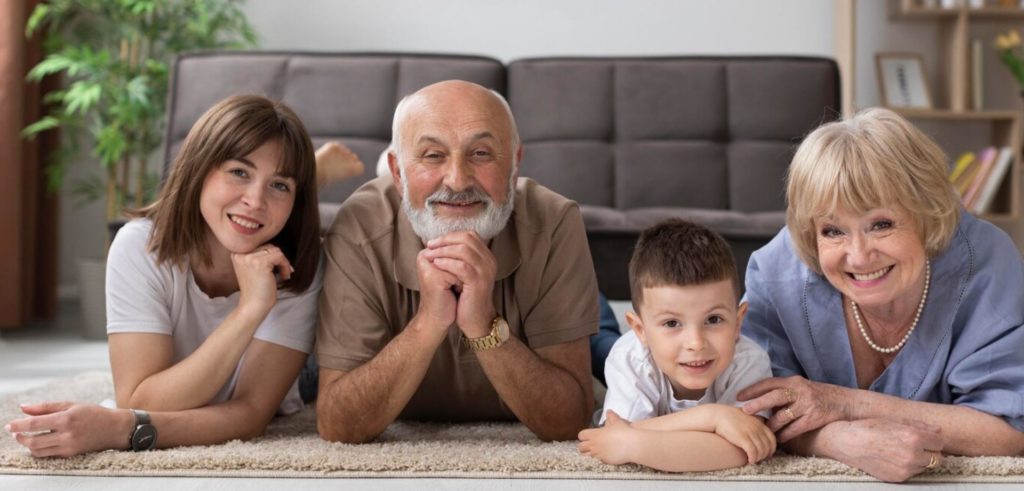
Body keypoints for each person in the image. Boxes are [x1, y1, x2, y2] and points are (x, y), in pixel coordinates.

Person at [5, 95, 325, 457]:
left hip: (300, 376)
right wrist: (248, 311)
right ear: (200, 168)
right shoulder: (140, 246)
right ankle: (316, 169)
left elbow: (251, 415)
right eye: (239, 172)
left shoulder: (298, 262)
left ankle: (317, 172)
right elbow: (139, 398)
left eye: (280, 185)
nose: (255, 199)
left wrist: (119, 429)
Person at [738, 107, 1024, 482]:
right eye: (833, 231)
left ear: (927, 215)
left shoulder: (987, 264)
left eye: (881, 224)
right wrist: (838, 440)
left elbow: (1008, 428)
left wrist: (845, 403)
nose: (858, 256)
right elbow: (755, 412)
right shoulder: (776, 273)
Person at [315, 80, 599, 443]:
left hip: (558, 288)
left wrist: (482, 323)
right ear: (398, 173)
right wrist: (428, 322)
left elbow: (569, 420)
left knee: (617, 352)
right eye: (433, 155)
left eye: (480, 153)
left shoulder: (556, 219)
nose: (458, 180)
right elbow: (337, 425)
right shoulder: (357, 226)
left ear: (514, 164)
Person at [578, 219, 775, 471]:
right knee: (596, 344)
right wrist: (714, 417)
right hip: (615, 362)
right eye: (672, 323)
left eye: (713, 319)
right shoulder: (630, 356)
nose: (695, 343)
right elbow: (612, 435)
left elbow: (743, 450)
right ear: (640, 330)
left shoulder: (749, 361)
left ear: (738, 322)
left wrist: (635, 445)